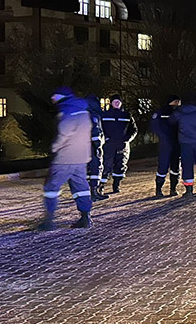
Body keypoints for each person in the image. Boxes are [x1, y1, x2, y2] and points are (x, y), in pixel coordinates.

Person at [37, 86, 94, 230]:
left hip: (65, 158)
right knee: (81, 187)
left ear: (61, 96)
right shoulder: (84, 112)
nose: (52, 98)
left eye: (55, 95)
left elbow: (64, 133)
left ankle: (49, 220)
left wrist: (54, 147)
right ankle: (86, 217)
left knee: (51, 187)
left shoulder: (67, 111)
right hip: (81, 157)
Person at [171, 96, 196, 197]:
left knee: (187, 165)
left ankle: (189, 190)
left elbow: (171, 122)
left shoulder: (179, 112)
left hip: (185, 143)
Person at [101, 94, 137, 194]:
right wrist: (105, 139)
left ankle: (116, 185)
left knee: (120, 165)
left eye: (118, 101)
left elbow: (134, 129)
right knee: (106, 165)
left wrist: (127, 139)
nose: (117, 103)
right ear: (111, 103)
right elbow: (100, 129)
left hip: (122, 145)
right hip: (108, 145)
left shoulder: (127, 115)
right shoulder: (105, 115)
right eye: (114, 101)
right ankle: (101, 186)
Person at [151, 94, 182, 198]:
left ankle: (173, 188)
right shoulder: (161, 112)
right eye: (176, 101)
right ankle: (159, 189)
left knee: (175, 168)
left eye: (179, 102)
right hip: (165, 144)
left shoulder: (180, 112)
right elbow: (154, 126)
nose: (178, 103)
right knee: (163, 167)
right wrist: (163, 136)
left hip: (177, 144)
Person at [85, 95, 108, 201]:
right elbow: (96, 132)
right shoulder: (94, 116)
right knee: (96, 167)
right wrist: (98, 145)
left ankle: (87, 193)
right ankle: (94, 192)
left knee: (87, 170)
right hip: (93, 147)